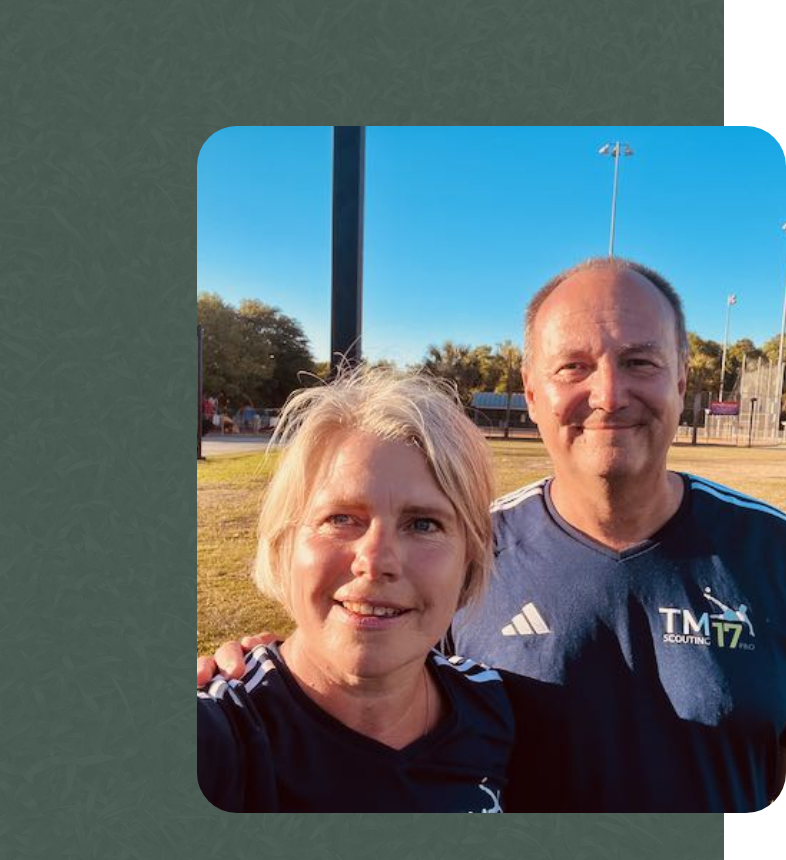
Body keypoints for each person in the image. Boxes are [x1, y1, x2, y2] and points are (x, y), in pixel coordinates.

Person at [201, 258, 786, 812]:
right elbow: (369, 672)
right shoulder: (471, 550)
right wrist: (266, 672)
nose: (609, 394)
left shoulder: (772, 552)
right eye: (573, 366)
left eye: (640, 362)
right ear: (532, 391)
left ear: (682, 378)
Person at [198, 367, 530, 812]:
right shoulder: (221, 734)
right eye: (340, 519)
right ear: (283, 539)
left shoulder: (492, 708)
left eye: (423, 524)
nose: (375, 561)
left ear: (469, 555)